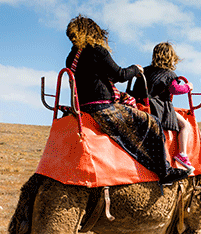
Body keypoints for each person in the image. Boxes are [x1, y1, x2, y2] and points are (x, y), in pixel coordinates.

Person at [65, 15, 190, 185]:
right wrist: (135, 69)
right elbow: (120, 75)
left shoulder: (72, 57)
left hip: (83, 106)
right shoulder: (98, 51)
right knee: (152, 122)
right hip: (103, 108)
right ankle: (165, 171)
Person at [132, 42, 195, 174]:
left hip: (141, 106)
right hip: (159, 109)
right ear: (171, 57)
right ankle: (182, 154)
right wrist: (188, 86)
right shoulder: (169, 74)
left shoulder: (145, 71)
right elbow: (175, 89)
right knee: (184, 125)